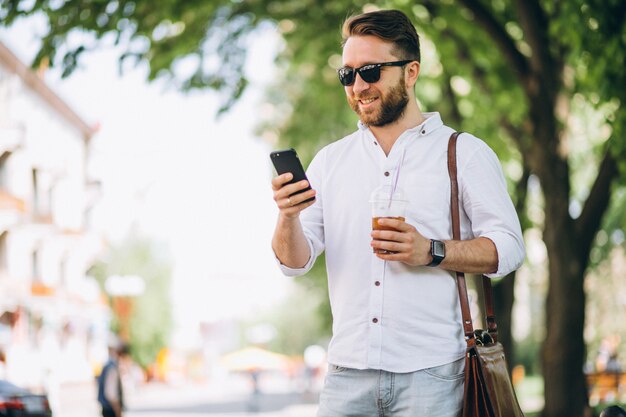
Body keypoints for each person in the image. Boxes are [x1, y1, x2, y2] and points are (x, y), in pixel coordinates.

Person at [270, 9, 525, 417]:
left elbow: (509, 249)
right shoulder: (330, 162)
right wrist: (288, 217)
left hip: (434, 374)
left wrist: (432, 251)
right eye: (347, 75)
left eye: (370, 71)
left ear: (411, 71)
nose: (358, 86)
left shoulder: (463, 153)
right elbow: (293, 263)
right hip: (345, 376)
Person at [97, 341, 130, 417]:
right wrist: (118, 410)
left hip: (108, 408)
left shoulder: (109, 365)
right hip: (110, 409)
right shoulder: (112, 368)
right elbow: (111, 394)